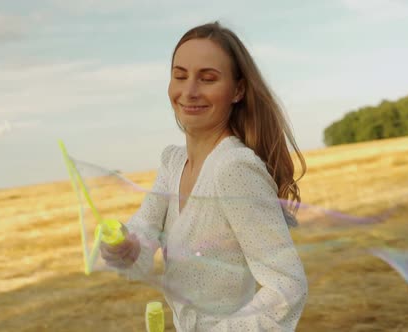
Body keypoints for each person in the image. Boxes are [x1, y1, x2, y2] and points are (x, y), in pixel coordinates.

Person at [100, 21, 308, 332]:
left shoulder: (233, 169)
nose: (189, 91)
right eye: (179, 76)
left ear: (237, 90)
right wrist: (125, 247)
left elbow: (287, 285)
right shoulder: (173, 162)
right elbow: (146, 227)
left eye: (207, 79)